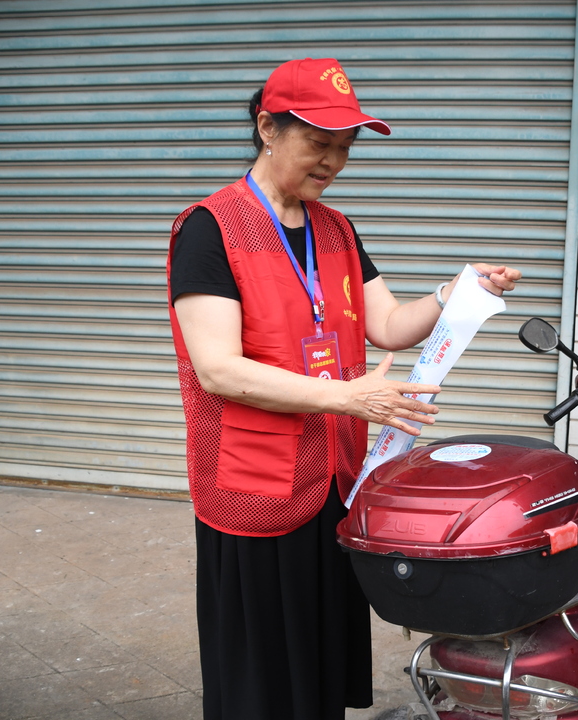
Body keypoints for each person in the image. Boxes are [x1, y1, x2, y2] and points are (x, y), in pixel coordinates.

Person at [165, 57, 522, 720]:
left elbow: (386, 325)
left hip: (334, 476)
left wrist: (455, 291)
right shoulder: (212, 229)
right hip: (255, 485)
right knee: (263, 670)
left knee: (319, 654)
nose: (332, 162)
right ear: (267, 129)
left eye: (345, 149)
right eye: (318, 144)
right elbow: (217, 368)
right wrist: (350, 398)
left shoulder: (335, 229)